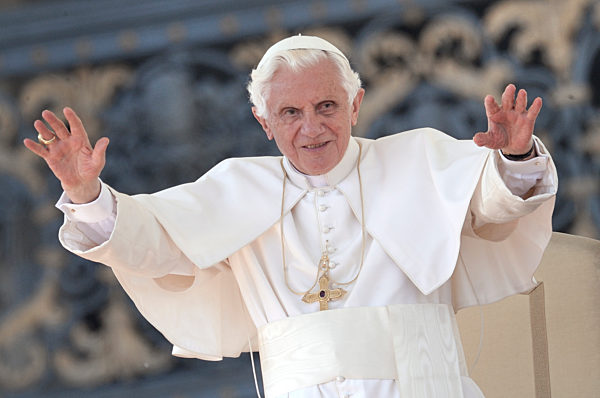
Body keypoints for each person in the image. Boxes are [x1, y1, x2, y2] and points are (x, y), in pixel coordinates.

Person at [24, 35, 557, 397]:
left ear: (355, 105)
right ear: (264, 123)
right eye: (290, 113)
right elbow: (150, 242)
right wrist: (87, 191)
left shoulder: (418, 158)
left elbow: (493, 205)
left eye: (326, 107)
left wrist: (513, 158)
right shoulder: (236, 189)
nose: (312, 129)